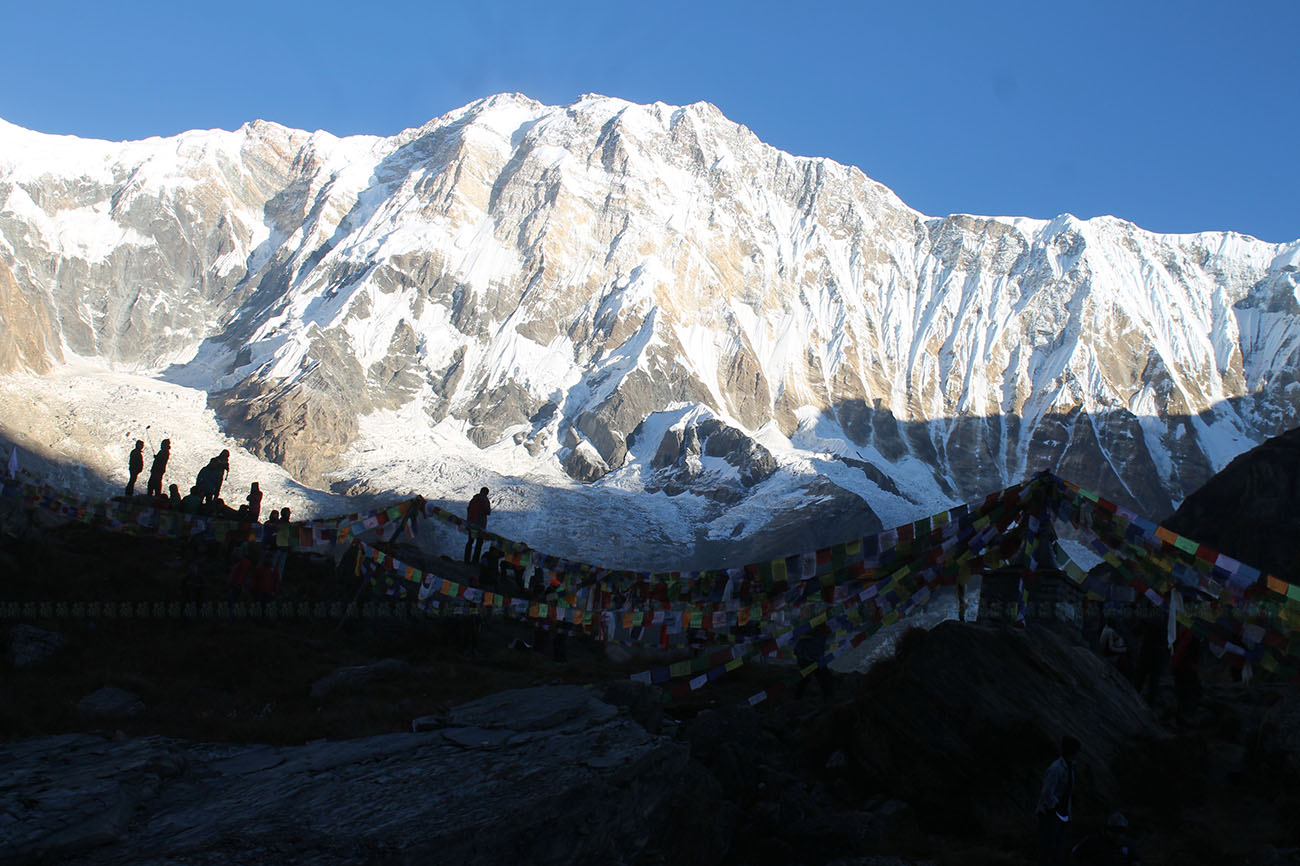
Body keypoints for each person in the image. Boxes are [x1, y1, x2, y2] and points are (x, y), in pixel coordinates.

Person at [1036, 735, 1081, 866]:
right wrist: (1055, 807)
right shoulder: (1056, 768)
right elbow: (1047, 792)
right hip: (1051, 814)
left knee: (1058, 850)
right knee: (1049, 850)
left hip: (1061, 814)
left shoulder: (1069, 767)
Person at [1071, 812, 1143, 865]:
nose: (1118, 835)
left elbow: (1136, 860)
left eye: (1121, 831)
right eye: (1115, 831)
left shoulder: (1128, 844)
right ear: (1108, 829)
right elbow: (1075, 854)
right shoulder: (1093, 841)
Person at [793, 623, 835, 701]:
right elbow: (800, 643)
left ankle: (828, 698)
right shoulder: (810, 631)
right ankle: (797, 698)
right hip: (807, 658)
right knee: (806, 679)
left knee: (824, 678)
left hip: (815, 658)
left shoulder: (821, 631)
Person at [464, 486, 491, 563]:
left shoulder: (473, 499)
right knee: (479, 542)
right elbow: (488, 512)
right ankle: (475, 560)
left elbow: (468, 509)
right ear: (486, 493)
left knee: (470, 541)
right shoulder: (485, 500)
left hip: (471, 523)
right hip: (480, 525)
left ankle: (466, 559)